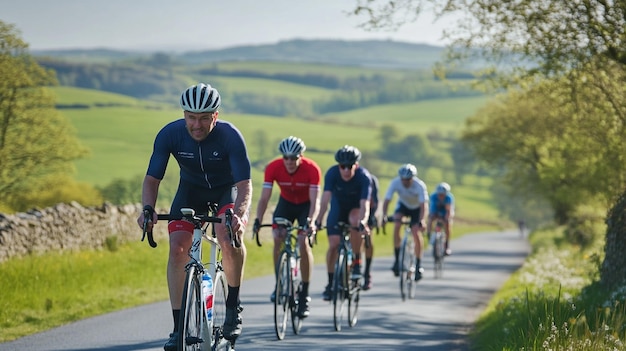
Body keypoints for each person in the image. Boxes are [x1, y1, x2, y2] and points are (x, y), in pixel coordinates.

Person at [137, 83, 252, 351]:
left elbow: (245, 185)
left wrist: (240, 214)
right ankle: (178, 330)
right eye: (191, 117)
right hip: (190, 192)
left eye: (203, 118)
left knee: (227, 236)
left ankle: (233, 307)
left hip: (227, 191)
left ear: (215, 116)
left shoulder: (230, 137)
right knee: (178, 249)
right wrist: (147, 208)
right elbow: (152, 179)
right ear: (184, 114)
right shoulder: (170, 134)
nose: (196, 125)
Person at [252, 136, 321, 318]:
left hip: (305, 206)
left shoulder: (312, 169)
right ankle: (280, 283)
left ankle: (304, 294)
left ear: (301, 156)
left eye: (294, 157)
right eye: (286, 157)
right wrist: (258, 219)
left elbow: (316, 201)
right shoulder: (273, 167)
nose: (289, 161)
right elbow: (265, 197)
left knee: (302, 240)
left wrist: (311, 221)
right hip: (286, 204)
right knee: (277, 237)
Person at [315, 145, 372, 301]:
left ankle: (356, 261)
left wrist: (363, 221)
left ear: (356, 165)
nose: (346, 170)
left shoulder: (363, 177)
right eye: (342, 166)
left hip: (355, 208)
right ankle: (331, 282)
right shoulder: (332, 173)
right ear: (338, 166)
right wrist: (318, 220)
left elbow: (364, 204)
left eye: (350, 166)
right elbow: (325, 200)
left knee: (355, 221)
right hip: (338, 208)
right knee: (333, 245)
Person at [381, 163, 428, 281]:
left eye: (408, 179)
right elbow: (387, 200)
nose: (405, 182)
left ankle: (418, 264)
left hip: (417, 209)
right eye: (403, 179)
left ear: (413, 178)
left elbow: (424, 206)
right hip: (403, 206)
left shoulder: (419, 186)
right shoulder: (395, 182)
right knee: (397, 224)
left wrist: (422, 220)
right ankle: (397, 260)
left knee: (416, 232)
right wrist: (384, 216)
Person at [426, 182, 455, 255]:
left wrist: (447, 218)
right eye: (439, 194)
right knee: (430, 219)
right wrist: (432, 216)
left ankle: (447, 246)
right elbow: (432, 209)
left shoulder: (449, 198)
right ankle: (429, 235)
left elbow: (449, 211)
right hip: (436, 210)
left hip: (445, 211)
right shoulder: (433, 196)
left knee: (447, 224)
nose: (440, 196)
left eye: (442, 195)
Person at [362, 172, 379, 290]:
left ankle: (367, 272)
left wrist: (371, 218)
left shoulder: (372, 180)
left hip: (368, 210)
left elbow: (375, 202)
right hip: (351, 208)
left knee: (368, 239)